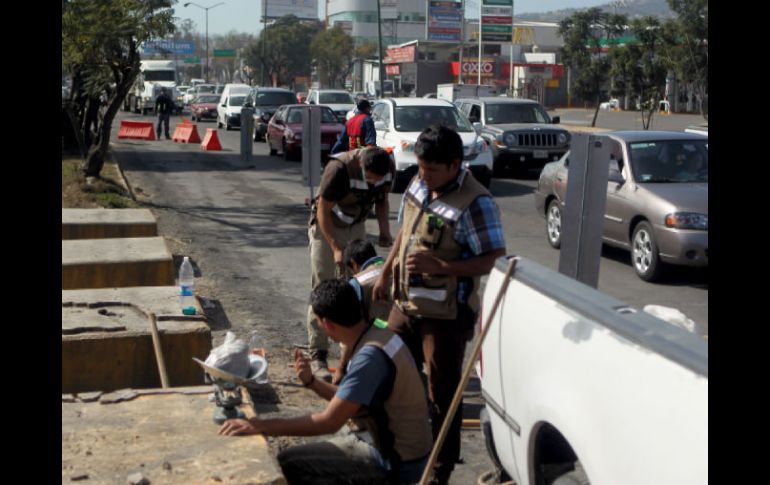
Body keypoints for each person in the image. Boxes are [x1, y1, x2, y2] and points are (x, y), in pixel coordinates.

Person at [373, 125, 507, 485]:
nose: (423, 175)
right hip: (406, 306)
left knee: (441, 396)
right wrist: (385, 272)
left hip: (445, 318)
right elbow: (406, 232)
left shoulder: (477, 203)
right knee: (391, 376)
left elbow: (495, 259)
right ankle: (396, 452)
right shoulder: (419, 184)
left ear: (455, 164)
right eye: (420, 167)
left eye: (432, 170)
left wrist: (442, 267)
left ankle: (438, 471)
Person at [219, 280, 433, 485]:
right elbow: (349, 398)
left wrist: (259, 425)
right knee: (316, 444)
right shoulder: (378, 334)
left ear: (327, 324)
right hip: (402, 445)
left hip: (394, 460)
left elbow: (329, 422)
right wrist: (311, 381)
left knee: (289, 462)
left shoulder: (369, 358)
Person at [307, 146, 395, 382]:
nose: (375, 182)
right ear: (362, 167)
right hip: (328, 228)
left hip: (356, 225)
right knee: (324, 287)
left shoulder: (387, 169)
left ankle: (354, 355)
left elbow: (383, 201)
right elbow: (323, 210)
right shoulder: (339, 169)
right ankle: (318, 354)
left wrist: (385, 231)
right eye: (371, 178)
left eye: (379, 179)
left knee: (359, 287)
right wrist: (335, 248)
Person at [332, 239, 395, 385]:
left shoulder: (357, 282)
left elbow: (351, 327)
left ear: (354, 263)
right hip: (404, 343)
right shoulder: (395, 266)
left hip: (377, 346)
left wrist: (341, 368)